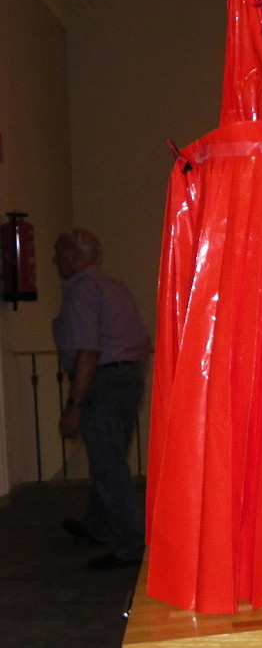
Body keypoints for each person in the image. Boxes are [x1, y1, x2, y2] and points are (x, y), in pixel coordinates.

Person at [52, 228, 150, 569]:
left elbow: (88, 352)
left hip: (103, 382)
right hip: (127, 378)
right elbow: (143, 340)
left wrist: (75, 405)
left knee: (109, 467)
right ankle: (98, 525)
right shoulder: (115, 287)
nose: (54, 261)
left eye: (57, 254)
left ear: (70, 256)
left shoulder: (82, 292)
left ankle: (131, 545)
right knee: (110, 458)